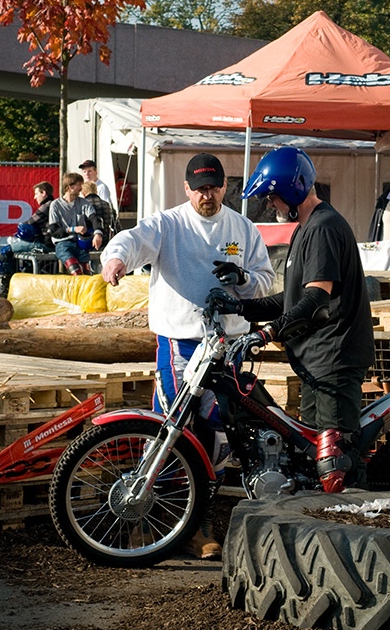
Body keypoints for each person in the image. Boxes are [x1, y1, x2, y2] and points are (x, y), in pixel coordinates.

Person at [100, 153, 274, 558]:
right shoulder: (169, 223)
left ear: (224, 186)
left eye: (213, 187)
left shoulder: (242, 227)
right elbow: (134, 239)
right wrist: (116, 258)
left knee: (219, 431)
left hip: (227, 346)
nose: (207, 196)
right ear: (186, 189)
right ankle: (143, 520)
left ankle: (198, 523)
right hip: (181, 342)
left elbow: (266, 281)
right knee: (172, 426)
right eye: (199, 189)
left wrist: (244, 279)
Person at [211, 146, 375, 494]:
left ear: (292, 189)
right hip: (317, 363)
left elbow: (316, 299)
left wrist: (267, 333)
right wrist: (240, 308)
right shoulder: (305, 229)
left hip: (335, 360)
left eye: (273, 197)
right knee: (310, 463)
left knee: (336, 469)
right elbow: (290, 301)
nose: (272, 205)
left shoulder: (323, 229)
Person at [0, 181, 55, 293]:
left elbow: (29, 223)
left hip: (43, 243)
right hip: (50, 243)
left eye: (36, 194)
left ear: (43, 193)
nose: (35, 197)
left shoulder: (46, 206)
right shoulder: (54, 204)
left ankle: (7, 287)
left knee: (4, 252)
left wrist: (20, 226)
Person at [48, 173, 103, 275]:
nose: (81, 188)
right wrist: (72, 229)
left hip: (80, 244)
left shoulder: (84, 203)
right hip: (63, 244)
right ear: (71, 187)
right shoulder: (55, 205)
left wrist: (97, 233)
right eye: (79, 185)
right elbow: (53, 230)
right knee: (76, 271)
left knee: (86, 273)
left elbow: (94, 218)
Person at [81, 181, 119, 247]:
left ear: (83, 193)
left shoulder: (82, 205)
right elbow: (116, 226)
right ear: (96, 191)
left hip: (87, 243)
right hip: (105, 242)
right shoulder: (107, 205)